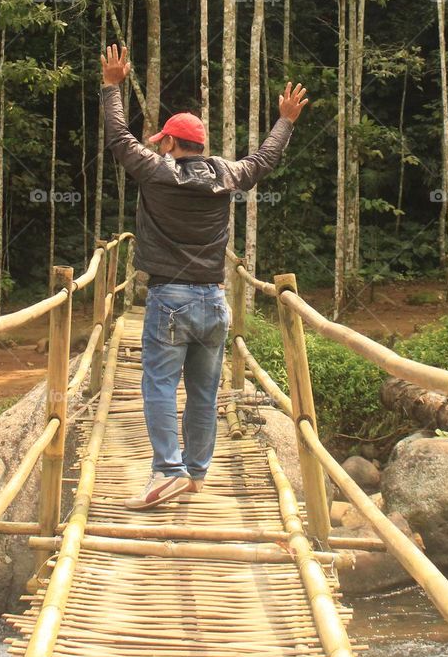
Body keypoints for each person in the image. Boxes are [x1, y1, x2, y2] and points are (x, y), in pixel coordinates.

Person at [100, 43, 309, 509]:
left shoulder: (156, 172)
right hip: (213, 301)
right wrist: (286, 120)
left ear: (172, 144)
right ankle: (195, 472)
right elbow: (264, 159)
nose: (160, 147)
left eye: (163, 141)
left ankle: (166, 471)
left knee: (156, 385)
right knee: (202, 392)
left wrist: (112, 87)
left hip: (169, 299)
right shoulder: (227, 175)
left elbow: (118, 139)